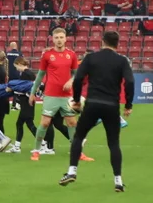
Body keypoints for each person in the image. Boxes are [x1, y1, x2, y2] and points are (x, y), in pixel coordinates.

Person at [60, 30, 133, 191]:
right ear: (117, 43)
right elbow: (129, 82)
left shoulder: (91, 58)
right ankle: (118, 181)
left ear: (103, 42)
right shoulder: (122, 61)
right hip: (111, 106)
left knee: (79, 136)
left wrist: (77, 100)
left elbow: (78, 78)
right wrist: (128, 105)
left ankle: (72, 171)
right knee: (113, 143)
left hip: (92, 103)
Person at [29, 27, 79, 161]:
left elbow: (76, 74)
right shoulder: (47, 55)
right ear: (52, 39)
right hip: (51, 95)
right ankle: (36, 151)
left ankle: (77, 152)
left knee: (72, 123)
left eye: (61, 37)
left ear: (66, 38)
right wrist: (32, 93)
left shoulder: (72, 55)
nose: (59, 40)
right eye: (56, 37)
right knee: (45, 123)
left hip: (67, 96)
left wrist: (71, 81)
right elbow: (40, 76)